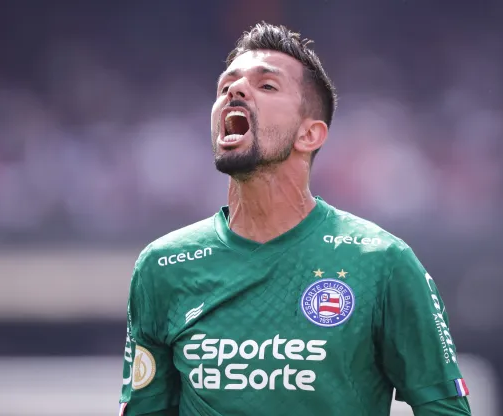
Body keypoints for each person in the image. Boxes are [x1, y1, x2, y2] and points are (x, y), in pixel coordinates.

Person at [118, 22, 472, 416]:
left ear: (310, 135)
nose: (235, 90)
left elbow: (446, 409)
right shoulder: (163, 266)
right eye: (225, 87)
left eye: (266, 86)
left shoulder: (382, 262)